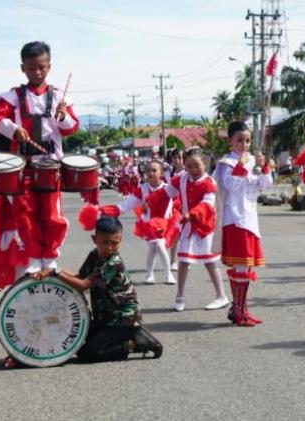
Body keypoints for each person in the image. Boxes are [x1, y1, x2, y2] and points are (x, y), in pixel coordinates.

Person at [0, 41, 80, 287]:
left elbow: (71, 128)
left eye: (41, 67)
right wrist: (14, 129)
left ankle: (49, 257)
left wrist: (63, 116)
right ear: (22, 68)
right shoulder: (14, 96)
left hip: (50, 166)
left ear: (49, 66)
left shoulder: (59, 96)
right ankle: (32, 257)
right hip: (24, 166)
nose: (37, 72)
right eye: (31, 68)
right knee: (25, 214)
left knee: (51, 214)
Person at [32, 216, 162, 363]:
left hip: (122, 320)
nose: (109, 248)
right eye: (105, 242)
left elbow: (83, 285)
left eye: (115, 243)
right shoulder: (94, 255)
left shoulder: (114, 263)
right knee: (76, 338)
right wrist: (52, 270)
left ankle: (135, 344)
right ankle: (133, 335)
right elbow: (80, 276)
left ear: (120, 241)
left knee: (86, 354)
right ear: (95, 239)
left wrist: (55, 273)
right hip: (106, 319)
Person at [213, 121, 273, 327]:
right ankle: (238, 310)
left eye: (247, 140)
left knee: (245, 266)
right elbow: (229, 186)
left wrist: (263, 167)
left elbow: (264, 186)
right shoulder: (225, 164)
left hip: (249, 220)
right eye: (239, 140)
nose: (244, 144)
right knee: (240, 266)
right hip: (235, 219)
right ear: (230, 141)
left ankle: (241, 308)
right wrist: (243, 164)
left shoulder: (250, 163)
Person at [166, 148, 228, 313]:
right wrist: (150, 203)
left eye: (197, 166)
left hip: (205, 227)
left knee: (209, 262)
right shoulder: (181, 178)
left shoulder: (210, 183)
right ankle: (179, 295)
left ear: (205, 164)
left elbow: (207, 205)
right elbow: (166, 193)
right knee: (184, 261)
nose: (193, 169)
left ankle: (221, 296)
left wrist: (190, 214)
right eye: (189, 166)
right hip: (188, 226)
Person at [115, 160, 178, 284]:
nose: (151, 173)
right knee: (157, 245)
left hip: (165, 223)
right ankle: (163, 275)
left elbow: (181, 197)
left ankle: (155, 274)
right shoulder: (143, 189)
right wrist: (113, 211)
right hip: (148, 224)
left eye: (154, 170)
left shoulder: (168, 188)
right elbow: (127, 205)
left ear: (161, 173)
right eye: (148, 171)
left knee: (155, 248)